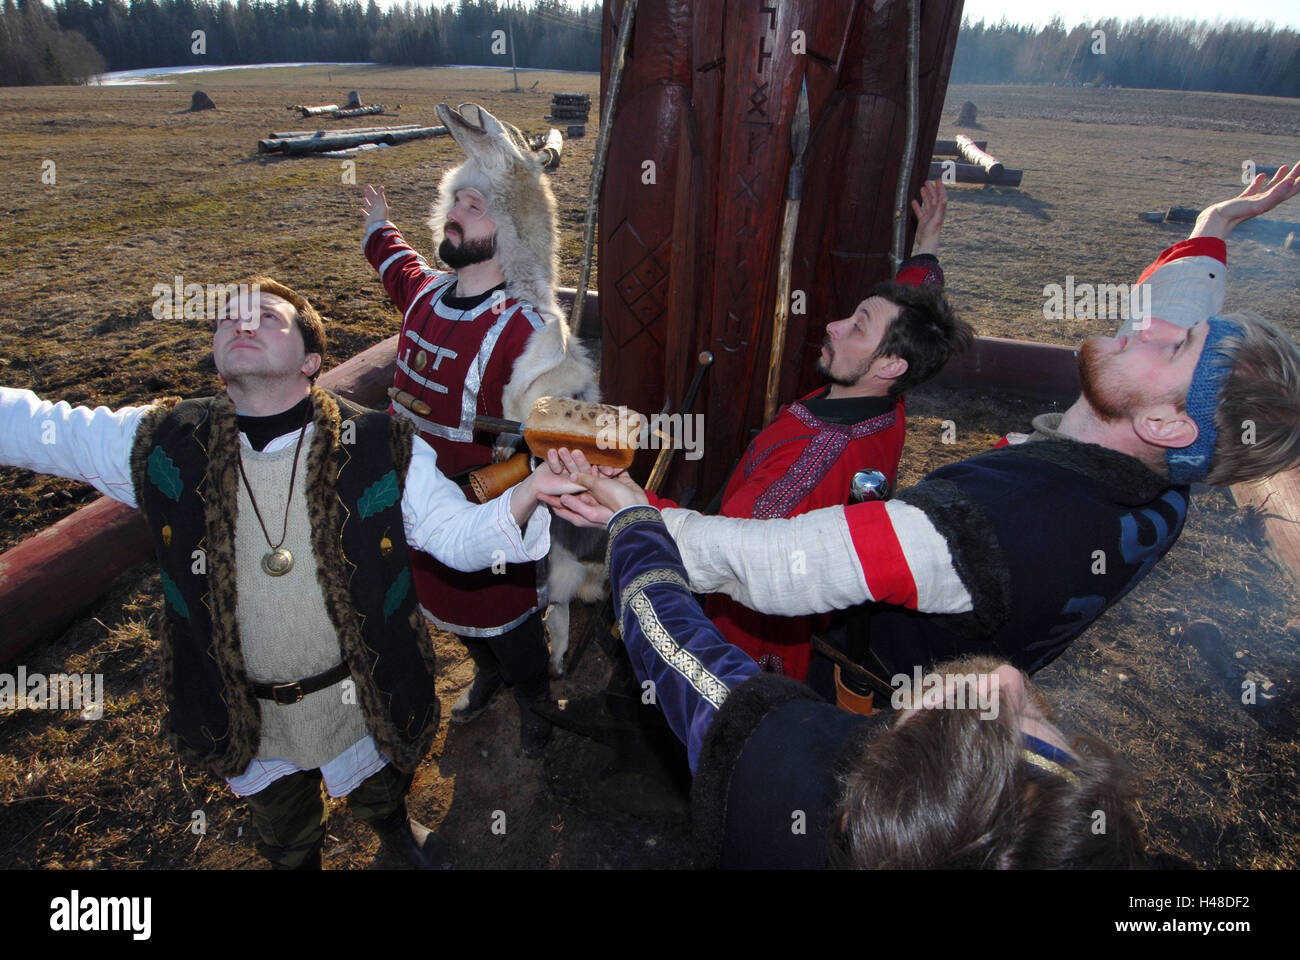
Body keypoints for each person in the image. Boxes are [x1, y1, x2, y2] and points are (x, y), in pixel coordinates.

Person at [542, 165, 1300, 707]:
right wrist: (1214, 229)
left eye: (1173, 343)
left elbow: (778, 562)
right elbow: (1169, 317)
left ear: (1167, 419)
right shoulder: (1166, 484)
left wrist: (638, 519)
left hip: (854, 696)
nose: (1147, 323)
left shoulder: (993, 524)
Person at [0, 277, 584, 869]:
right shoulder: (164, 442)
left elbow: (459, 539)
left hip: (359, 693)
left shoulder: (381, 444)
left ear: (311, 359)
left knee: (380, 785)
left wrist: (533, 487)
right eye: (228, 319)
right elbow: (42, 426)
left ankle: (395, 833)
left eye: (266, 317)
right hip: (248, 711)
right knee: (283, 830)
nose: (241, 323)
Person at [538, 453, 1145, 868]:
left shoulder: (780, 778)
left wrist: (636, 522)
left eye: (977, 722)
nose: (1009, 677)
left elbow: (667, 638)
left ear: (858, 803)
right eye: (1048, 735)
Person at [361, 103, 598, 757]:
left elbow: (557, 438)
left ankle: (532, 698)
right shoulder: (428, 296)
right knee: (444, 607)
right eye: (456, 199)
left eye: (477, 202)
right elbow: (400, 268)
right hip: (414, 505)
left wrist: (499, 487)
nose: (456, 210)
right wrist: (379, 230)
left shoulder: (526, 331)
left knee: (509, 620)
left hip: (486, 515)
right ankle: (487, 671)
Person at [705, 180, 972, 693]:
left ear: (889, 363)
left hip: (751, 630)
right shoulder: (890, 391)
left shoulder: (808, 466)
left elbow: (727, 558)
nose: (831, 324)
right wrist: (927, 247)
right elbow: (914, 298)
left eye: (856, 327)